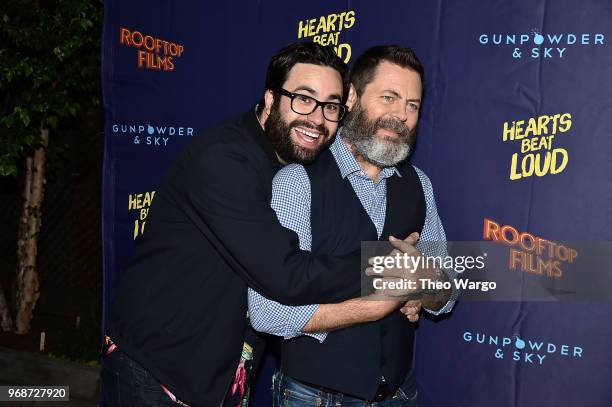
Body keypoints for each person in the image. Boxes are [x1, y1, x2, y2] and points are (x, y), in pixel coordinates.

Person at [101, 42, 420, 407]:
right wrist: (388, 268)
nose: (316, 119)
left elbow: (450, 277)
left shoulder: (298, 163)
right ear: (270, 99)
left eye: (330, 106)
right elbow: (285, 275)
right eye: (303, 99)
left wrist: (424, 285)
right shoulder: (223, 160)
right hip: (158, 369)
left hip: (223, 372)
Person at [248, 45, 459, 406]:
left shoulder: (419, 184)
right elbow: (268, 313)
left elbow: (448, 293)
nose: (401, 117)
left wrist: (424, 285)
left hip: (399, 395)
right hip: (313, 397)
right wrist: (379, 303)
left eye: (413, 105)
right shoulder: (297, 182)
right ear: (351, 97)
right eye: (389, 98)